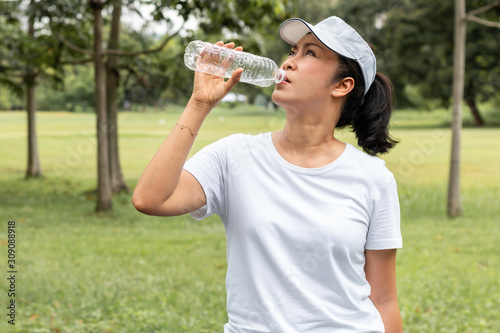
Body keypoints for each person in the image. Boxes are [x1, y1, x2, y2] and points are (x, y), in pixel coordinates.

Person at [133, 16, 403, 333]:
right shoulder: (233, 156)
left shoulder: (373, 178)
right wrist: (199, 104)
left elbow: (384, 300)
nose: (289, 63)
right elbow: (149, 199)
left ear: (341, 86)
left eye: (310, 53)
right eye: (292, 51)